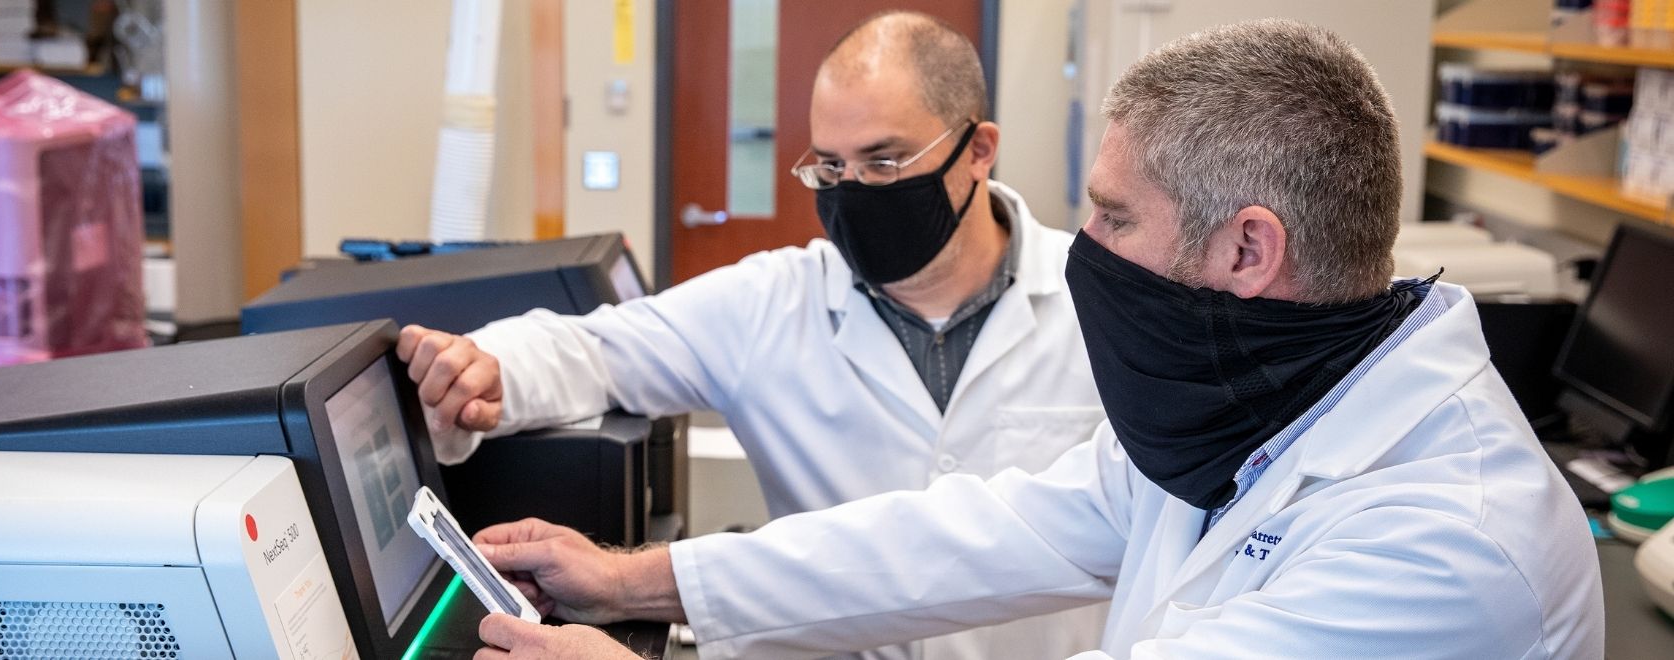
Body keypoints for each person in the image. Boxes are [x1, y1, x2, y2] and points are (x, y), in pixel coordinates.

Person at [461, 19, 1606, 660]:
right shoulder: (1256, 409)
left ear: (1247, 253)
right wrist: (635, 581)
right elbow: (972, 535)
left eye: (1114, 217)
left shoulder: (1445, 546)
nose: (1088, 245)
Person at [396, 10, 1108, 660]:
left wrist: (627, 580)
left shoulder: (1105, 310)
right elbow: (596, 349)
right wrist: (486, 370)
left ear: (979, 150)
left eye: (883, 162)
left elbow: (1006, 544)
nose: (852, 190)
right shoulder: (773, 300)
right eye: (830, 166)